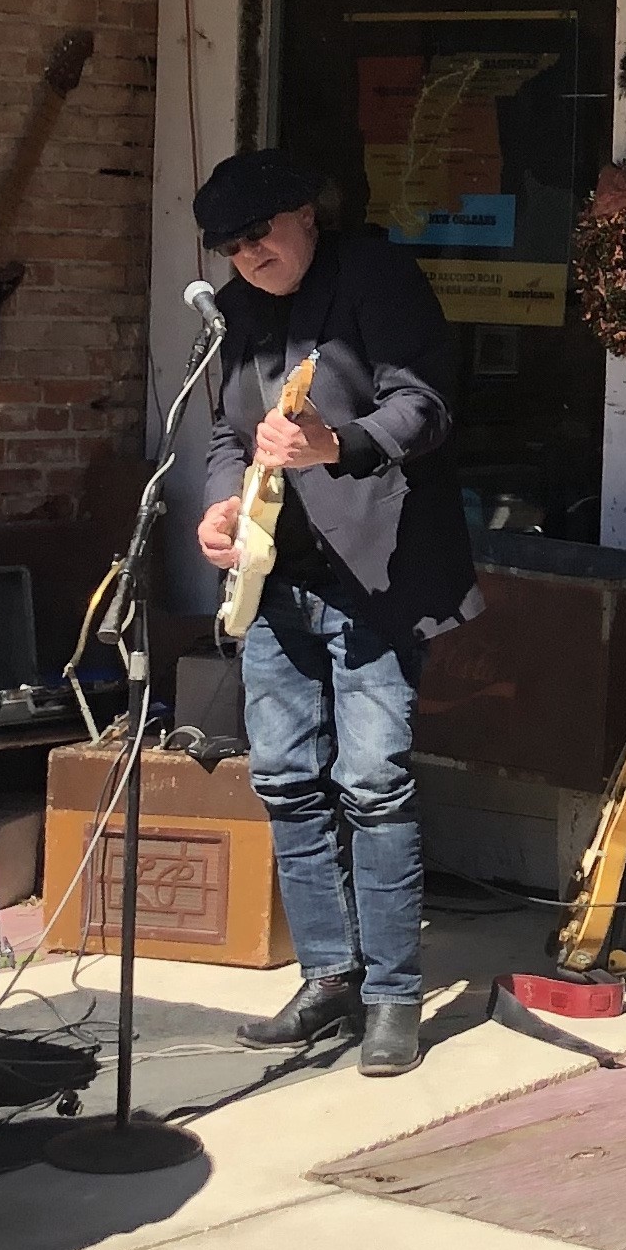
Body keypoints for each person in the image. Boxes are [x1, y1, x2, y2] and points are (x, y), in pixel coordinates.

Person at [190, 147, 476, 1077]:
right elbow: (227, 436)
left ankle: (393, 995)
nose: (248, 257)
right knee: (283, 779)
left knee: (374, 781)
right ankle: (327, 976)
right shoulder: (234, 316)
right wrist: (221, 505)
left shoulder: (378, 279)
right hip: (277, 581)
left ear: (306, 214)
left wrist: (337, 445)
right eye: (229, 248)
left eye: (259, 235)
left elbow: (424, 404)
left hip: (377, 574)